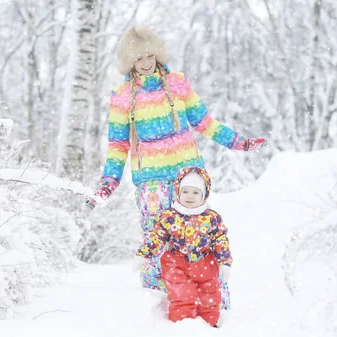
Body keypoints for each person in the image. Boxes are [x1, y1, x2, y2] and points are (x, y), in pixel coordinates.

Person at [86, 26, 266, 310]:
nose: (145, 62)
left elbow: (204, 123)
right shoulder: (123, 96)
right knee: (157, 237)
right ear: (129, 62)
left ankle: (211, 301)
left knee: (198, 237)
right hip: (151, 180)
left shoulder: (177, 84)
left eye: (149, 55)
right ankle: (161, 305)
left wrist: (238, 142)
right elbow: (118, 144)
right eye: (138, 58)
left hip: (187, 174)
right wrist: (109, 181)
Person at [136, 166, 231, 327]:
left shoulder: (211, 218)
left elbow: (220, 240)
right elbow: (156, 237)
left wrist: (225, 262)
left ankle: (210, 327)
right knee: (183, 296)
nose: (189, 196)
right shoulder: (169, 216)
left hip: (206, 264)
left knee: (210, 297)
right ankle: (182, 326)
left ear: (204, 195)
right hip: (176, 263)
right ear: (178, 192)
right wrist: (143, 254)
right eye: (185, 191)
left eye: (195, 193)